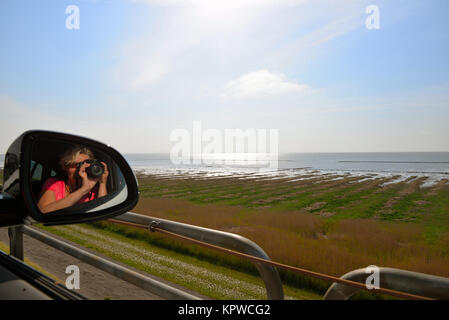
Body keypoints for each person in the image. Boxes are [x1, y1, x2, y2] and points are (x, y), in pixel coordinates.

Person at [37, 146, 108, 214]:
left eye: (86, 165)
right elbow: (43, 211)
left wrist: (102, 183)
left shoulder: (94, 192)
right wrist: (83, 190)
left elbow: (103, 214)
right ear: (65, 167)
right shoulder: (54, 184)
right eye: (77, 165)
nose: (82, 169)